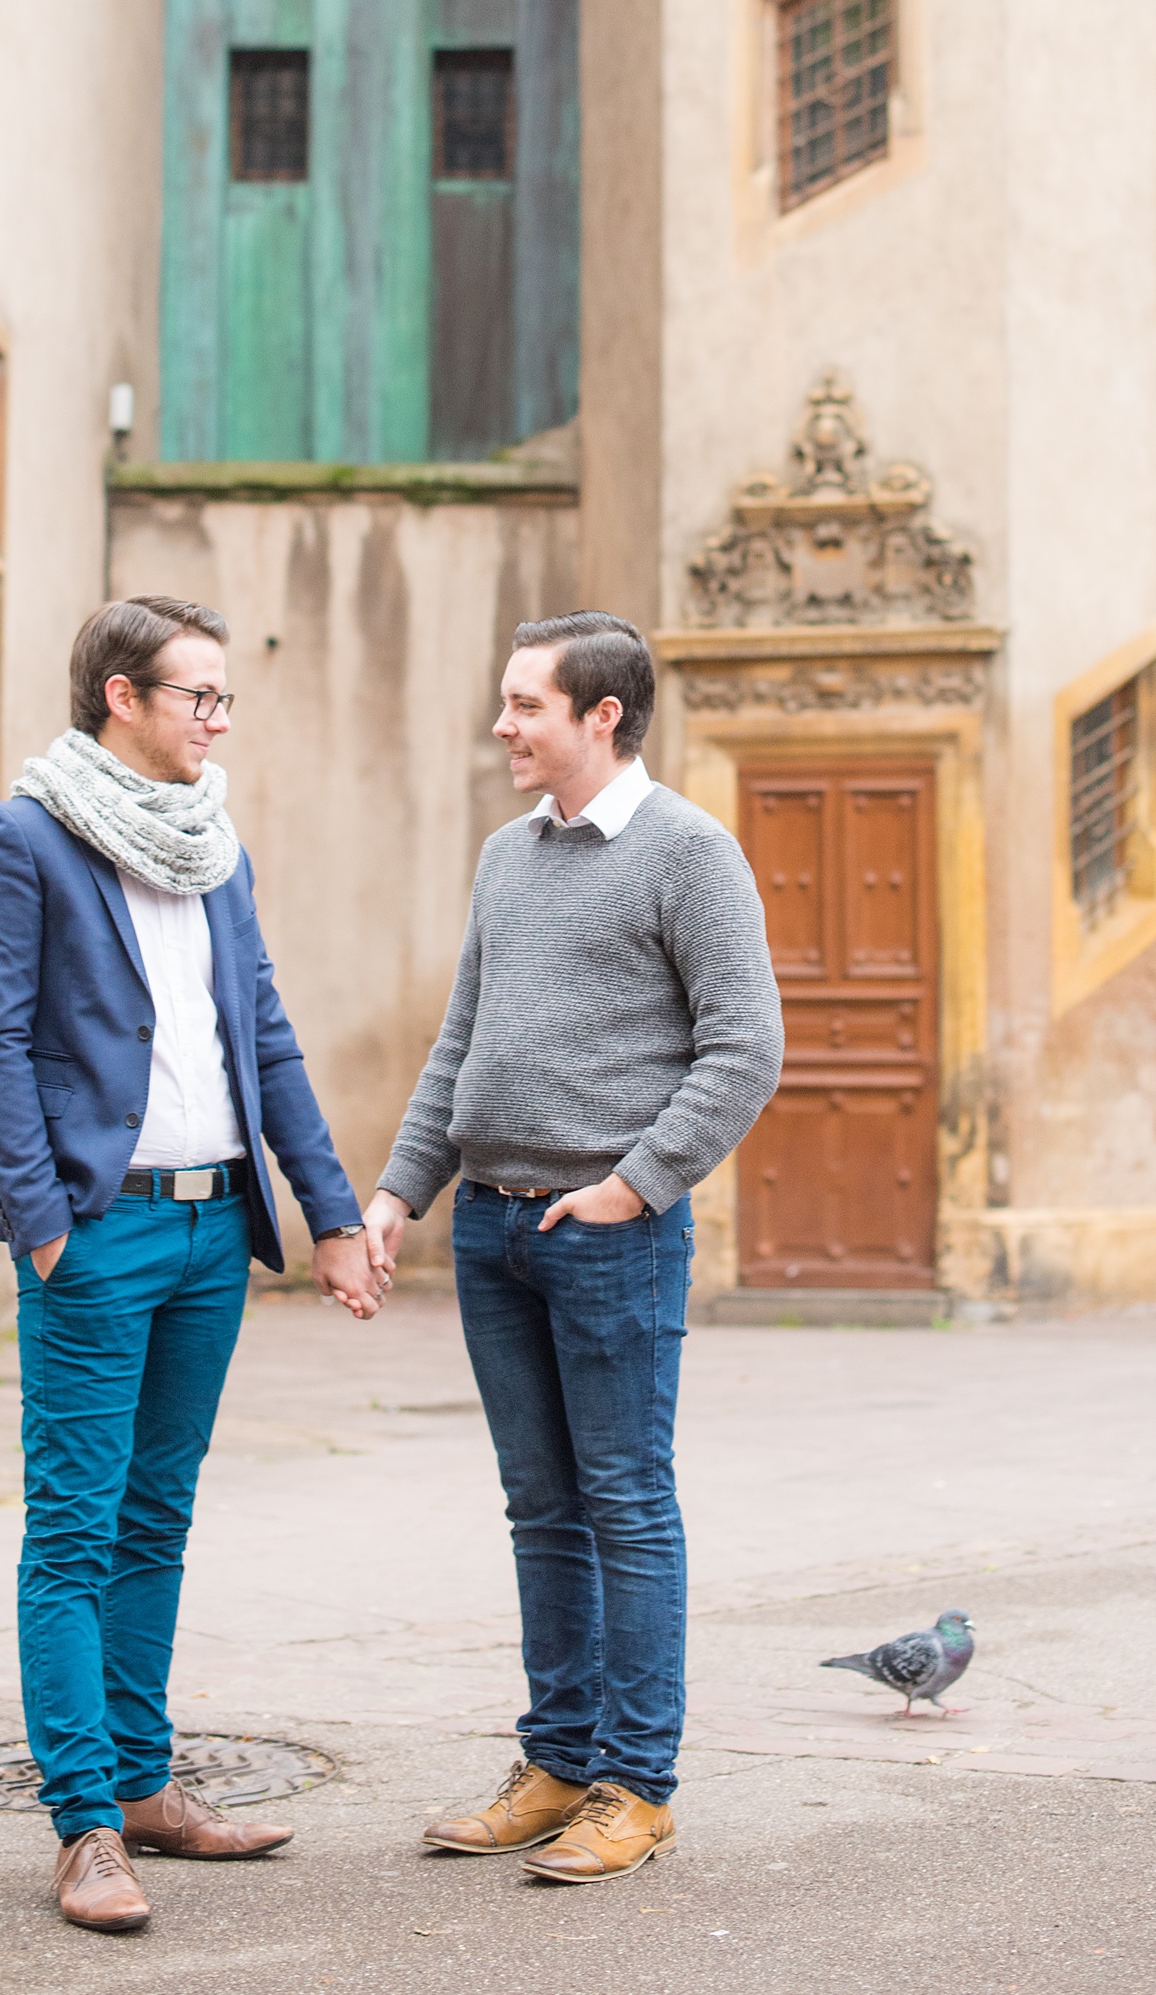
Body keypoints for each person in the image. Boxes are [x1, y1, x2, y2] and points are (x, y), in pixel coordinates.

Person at [0, 595, 380, 1933]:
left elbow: (266, 1030)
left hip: (209, 1230)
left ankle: (145, 1784)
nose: (218, 718)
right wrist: (42, 1221)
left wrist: (328, 1207)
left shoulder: (216, 848)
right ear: (119, 698)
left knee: (158, 1515)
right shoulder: (23, 836)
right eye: (198, 695)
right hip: (99, 1226)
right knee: (74, 1527)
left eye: (224, 697)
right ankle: (84, 1820)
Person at [362, 611, 783, 1883]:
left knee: (623, 1505)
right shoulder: (506, 855)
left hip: (608, 1237)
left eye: (524, 705)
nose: (503, 725)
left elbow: (744, 1050)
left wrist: (631, 1187)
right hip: (489, 1226)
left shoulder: (689, 856)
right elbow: (460, 1043)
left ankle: (634, 1788)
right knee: (541, 1507)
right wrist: (399, 1193)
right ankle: (555, 1762)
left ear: (600, 716)